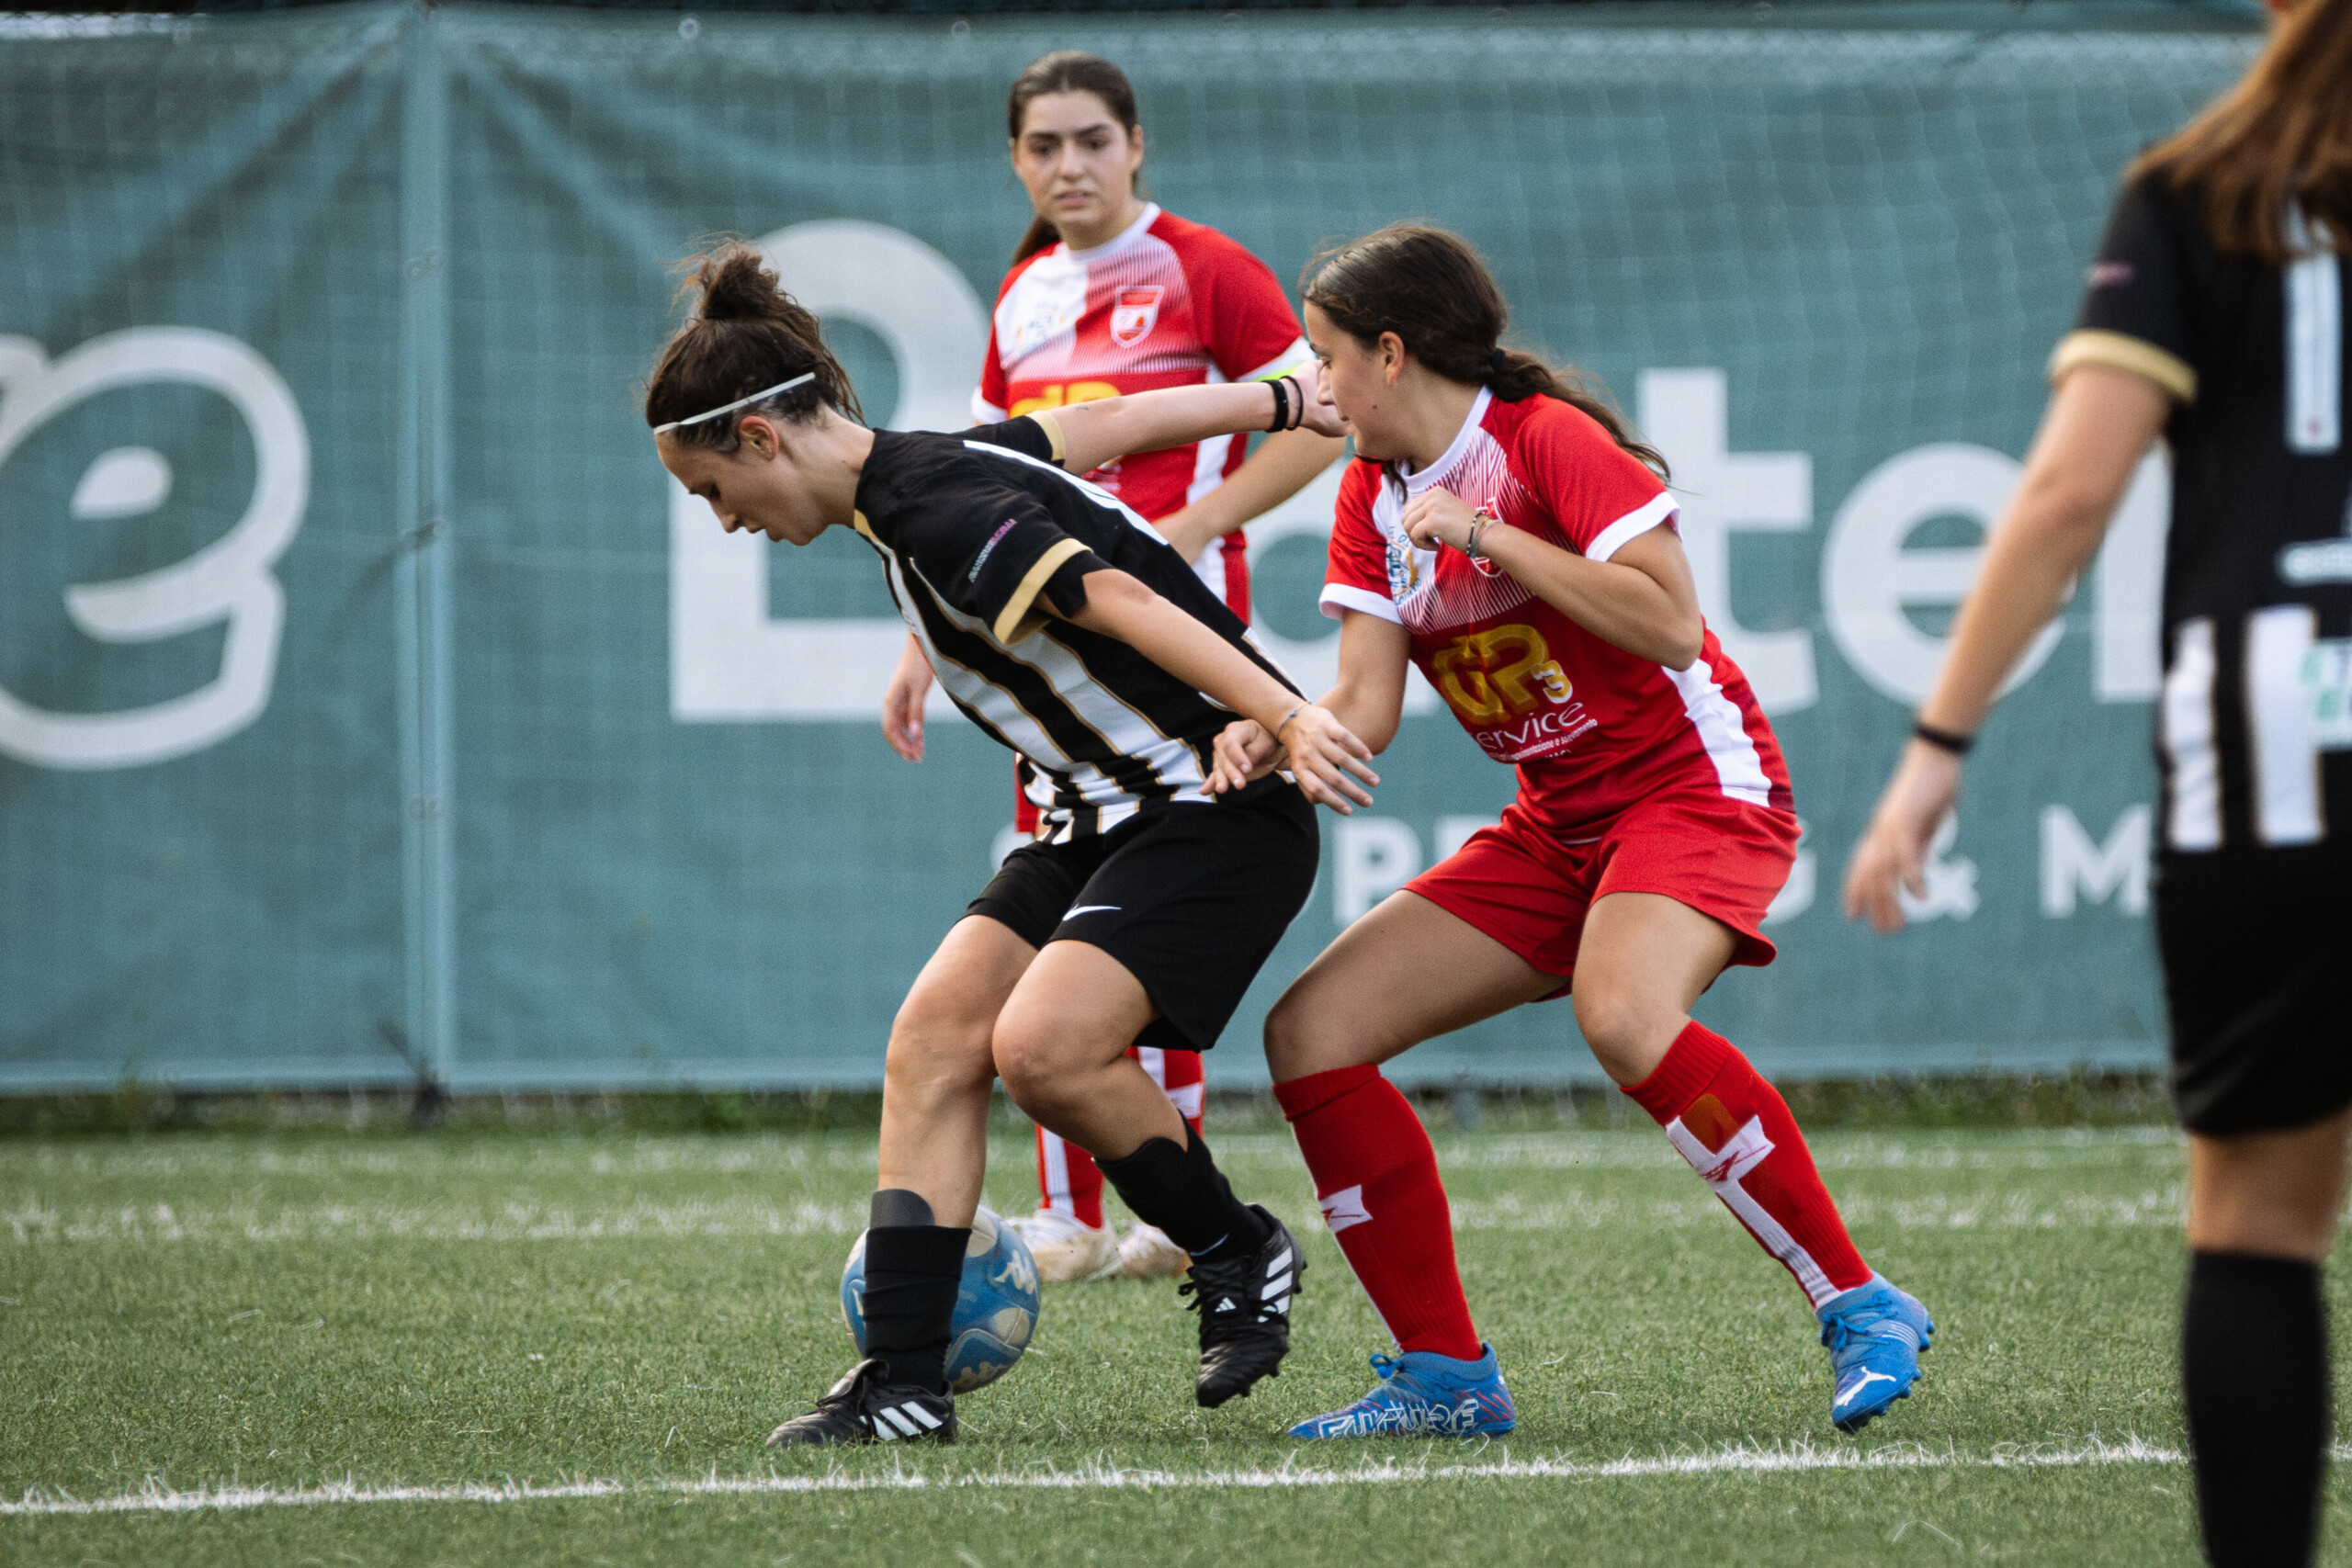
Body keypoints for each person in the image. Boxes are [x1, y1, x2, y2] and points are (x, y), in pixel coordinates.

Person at [1210, 224, 1934, 1440]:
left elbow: (1666, 625)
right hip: (1558, 826)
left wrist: (1489, 535)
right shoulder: (1366, 494)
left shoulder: (1546, 444)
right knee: (1313, 1035)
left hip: (1696, 790)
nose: (1313, 389)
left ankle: (1860, 1303)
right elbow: (1369, 703)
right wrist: (1281, 728)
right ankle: (1446, 1378)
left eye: (1326, 358)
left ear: (1390, 355)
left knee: (1623, 1013)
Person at [647, 244, 1374, 1445]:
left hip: (1211, 808)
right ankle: (903, 1384)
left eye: (712, 491)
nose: (725, 521)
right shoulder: (924, 474)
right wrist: (1277, 400)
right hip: (1094, 815)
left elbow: (1123, 599)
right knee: (935, 1037)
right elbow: (1094, 432)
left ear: (763, 441)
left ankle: (1238, 1248)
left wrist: (1286, 715)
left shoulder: (938, 511)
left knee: (1041, 1047)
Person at [1843, 0, 2350, 1558]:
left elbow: (2067, 494)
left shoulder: (2207, 186)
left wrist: (1935, 751)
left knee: (2260, 1228)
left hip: (2273, 749)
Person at [881, 50, 1346, 1285]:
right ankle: (1072, 1215)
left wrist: (1197, 525)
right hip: (1042, 649)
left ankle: (1161, 1204)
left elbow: (1318, 407)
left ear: (1136, 144)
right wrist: (923, 644)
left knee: (1152, 899)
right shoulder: (1023, 291)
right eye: (1045, 147)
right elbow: (970, 478)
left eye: (1092, 140)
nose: (1069, 166)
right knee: (1059, 894)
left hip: (1173, 640)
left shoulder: (1204, 266)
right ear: (1016, 161)